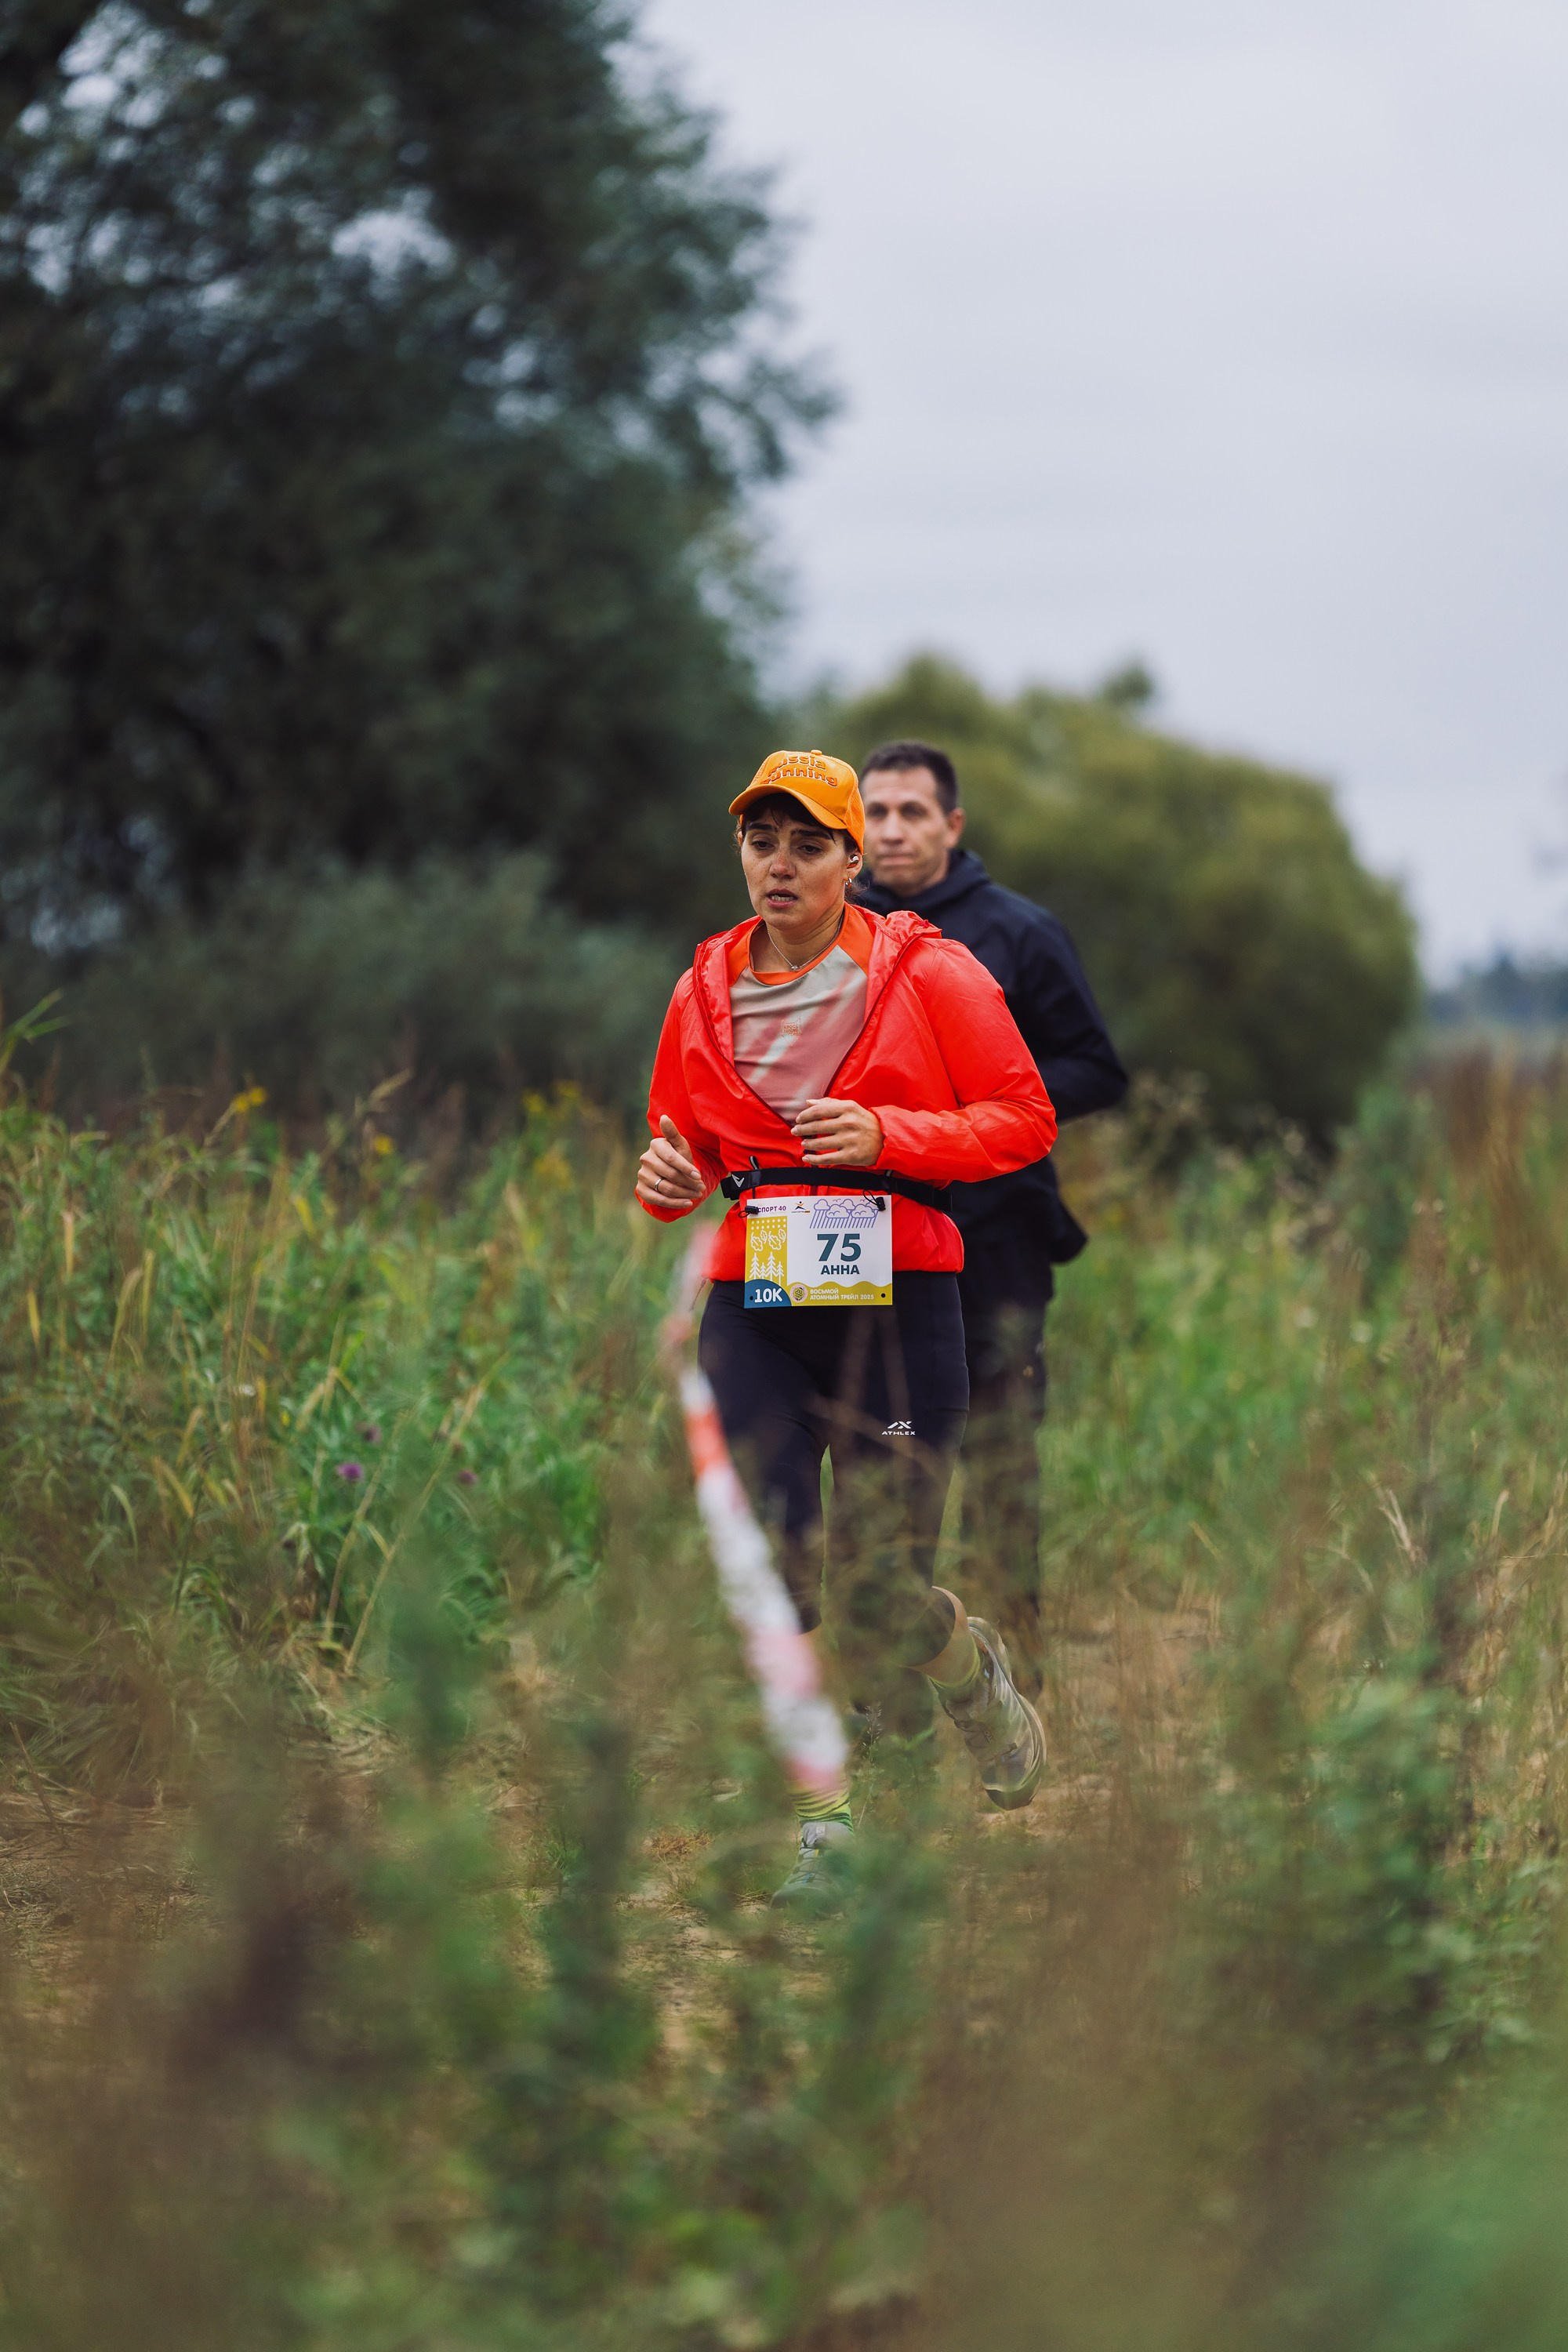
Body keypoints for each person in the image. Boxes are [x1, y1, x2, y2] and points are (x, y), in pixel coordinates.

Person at [637, 747, 1058, 1900]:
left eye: (807, 842)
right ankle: (829, 1831)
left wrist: (891, 1142)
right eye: (760, 840)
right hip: (759, 1295)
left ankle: (970, 1680)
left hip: (902, 1293)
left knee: (881, 1584)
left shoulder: (933, 975)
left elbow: (1024, 1120)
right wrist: (665, 1182)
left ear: (849, 858)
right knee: (780, 1566)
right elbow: (677, 1151)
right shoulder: (703, 988)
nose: (779, 863)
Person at [855, 741, 1127, 1693]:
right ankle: (892, 1661)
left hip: (996, 1234)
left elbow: (1097, 1069)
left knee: (1003, 1444)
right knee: (881, 1441)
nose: (891, 829)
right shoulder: (826, 932)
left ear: (951, 826)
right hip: (862, 1237)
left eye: (911, 812)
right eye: (875, 812)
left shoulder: (1018, 933)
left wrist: (972, 1101)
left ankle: (1018, 1650)